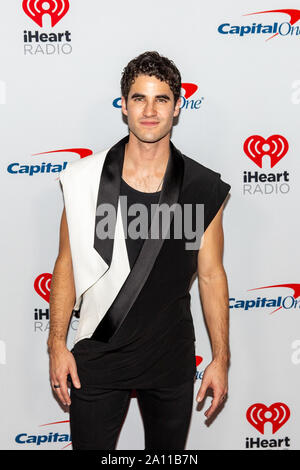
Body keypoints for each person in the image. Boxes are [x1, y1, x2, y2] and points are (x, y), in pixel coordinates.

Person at [47, 51, 231, 450]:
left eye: (161, 99)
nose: (150, 111)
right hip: (96, 358)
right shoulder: (83, 181)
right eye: (139, 98)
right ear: (124, 106)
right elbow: (65, 264)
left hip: (171, 360)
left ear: (178, 107)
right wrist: (56, 345)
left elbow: (212, 274)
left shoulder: (202, 186)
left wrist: (220, 359)